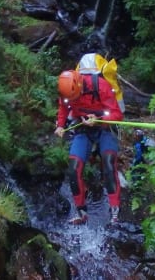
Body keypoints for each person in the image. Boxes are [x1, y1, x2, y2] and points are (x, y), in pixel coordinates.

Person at [54, 69, 124, 225]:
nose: (74, 99)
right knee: (74, 168)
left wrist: (98, 119)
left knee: (108, 162)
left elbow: (117, 115)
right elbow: (64, 108)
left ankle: (115, 210)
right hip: (84, 129)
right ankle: (81, 212)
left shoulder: (101, 86)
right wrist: (60, 125)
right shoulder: (66, 92)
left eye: (76, 96)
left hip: (105, 128)